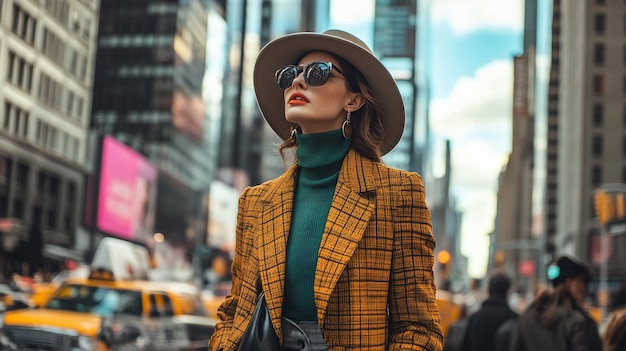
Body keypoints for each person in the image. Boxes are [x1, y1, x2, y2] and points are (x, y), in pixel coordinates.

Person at [208, 29, 443, 350]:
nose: (297, 82)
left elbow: (418, 327)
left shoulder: (398, 193)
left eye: (318, 73)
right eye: (289, 74)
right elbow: (236, 310)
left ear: (354, 99)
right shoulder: (256, 201)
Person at [510, 255, 602, 351]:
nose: (586, 291)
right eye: (584, 283)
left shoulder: (527, 318)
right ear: (571, 283)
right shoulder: (579, 322)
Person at [462, 271, 518, 351]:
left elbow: (465, 346)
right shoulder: (514, 318)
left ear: (489, 290)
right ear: (507, 292)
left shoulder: (475, 317)